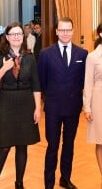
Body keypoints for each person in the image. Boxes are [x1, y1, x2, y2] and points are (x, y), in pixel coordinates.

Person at [0, 22, 42, 189]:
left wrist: (38, 108)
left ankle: (19, 183)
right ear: (8, 37)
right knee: (3, 147)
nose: (17, 37)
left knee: (22, 146)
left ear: (23, 37)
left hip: (26, 103)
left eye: (19, 34)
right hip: (6, 104)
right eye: (13, 34)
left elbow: (36, 84)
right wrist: (4, 68)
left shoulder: (30, 57)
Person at [38, 17, 88, 189]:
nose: (65, 33)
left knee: (69, 145)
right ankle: (49, 183)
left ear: (73, 31)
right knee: (52, 146)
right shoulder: (45, 54)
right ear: (57, 31)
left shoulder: (82, 54)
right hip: (53, 107)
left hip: (73, 107)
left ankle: (65, 178)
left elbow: (83, 81)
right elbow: (41, 81)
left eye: (68, 30)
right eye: (62, 30)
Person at [83, 20, 102, 189]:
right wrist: (87, 107)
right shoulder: (92, 57)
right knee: (101, 141)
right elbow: (88, 83)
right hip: (100, 100)